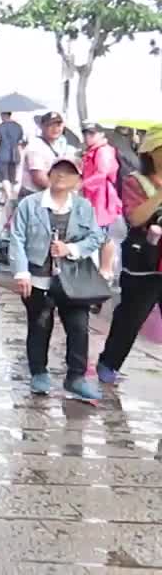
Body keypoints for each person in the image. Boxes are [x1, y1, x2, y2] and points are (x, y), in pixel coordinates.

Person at [10, 156, 106, 401]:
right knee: (40, 325)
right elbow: (17, 239)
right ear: (49, 175)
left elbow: (96, 237)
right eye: (57, 171)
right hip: (38, 279)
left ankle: (76, 377)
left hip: (73, 281)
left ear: (77, 180)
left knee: (78, 327)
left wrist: (71, 249)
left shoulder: (84, 207)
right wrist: (21, 272)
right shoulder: (30, 205)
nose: (61, 176)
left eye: (68, 172)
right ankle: (39, 373)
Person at [97, 126, 162, 384]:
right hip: (143, 264)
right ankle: (109, 363)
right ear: (152, 152)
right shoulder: (135, 181)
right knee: (130, 318)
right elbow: (135, 217)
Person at [80, 123, 124, 281]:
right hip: (96, 197)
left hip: (102, 198)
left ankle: (106, 271)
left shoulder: (103, 150)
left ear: (100, 134)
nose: (87, 137)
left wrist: (80, 185)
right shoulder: (95, 150)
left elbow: (102, 174)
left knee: (104, 234)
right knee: (101, 233)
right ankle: (104, 271)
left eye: (91, 133)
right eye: (85, 133)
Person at [18, 112, 71, 201]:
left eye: (58, 125)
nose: (55, 129)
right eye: (50, 125)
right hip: (33, 196)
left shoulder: (57, 145)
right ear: (42, 126)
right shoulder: (36, 146)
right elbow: (39, 178)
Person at [0, 112, 26, 205]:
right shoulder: (18, 127)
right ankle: (2, 198)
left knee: (4, 177)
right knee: (11, 178)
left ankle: (10, 198)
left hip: (2, 154)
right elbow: (20, 143)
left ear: (3, 115)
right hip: (15, 155)